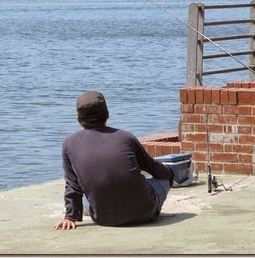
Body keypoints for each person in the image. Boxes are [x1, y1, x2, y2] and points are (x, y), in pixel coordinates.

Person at [54, 91, 174, 229]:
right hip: (144, 213)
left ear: (78, 119)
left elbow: (73, 185)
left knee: (91, 195)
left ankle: (85, 210)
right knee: (162, 178)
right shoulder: (125, 137)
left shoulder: (69, 144)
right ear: (107, 115)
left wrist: (70, 216)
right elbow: (152, 167)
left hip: (103, 218)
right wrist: (170, 174)